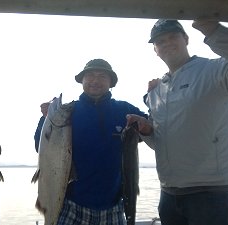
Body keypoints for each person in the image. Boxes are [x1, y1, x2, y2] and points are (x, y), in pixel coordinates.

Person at [127, 19, 228, 225]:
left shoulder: (215, 70)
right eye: (160, 41)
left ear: (186, 39)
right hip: (169, 194)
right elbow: (161, 143)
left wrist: (215, 32)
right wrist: (146, 131)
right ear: (155, 50)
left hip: (212, 193)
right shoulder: (156, 92)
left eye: (173, 37)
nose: (167, 43)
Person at [35, 58, 148, 224]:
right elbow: (41, 147)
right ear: (82, 80)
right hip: (70, 204)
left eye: (102, 76)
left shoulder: (125, 110)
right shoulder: (67, 111)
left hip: (113, 206)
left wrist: (150, 99)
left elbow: (152, 129)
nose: (95, 80)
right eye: (90, 75)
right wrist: (45, 120)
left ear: (111, 82)